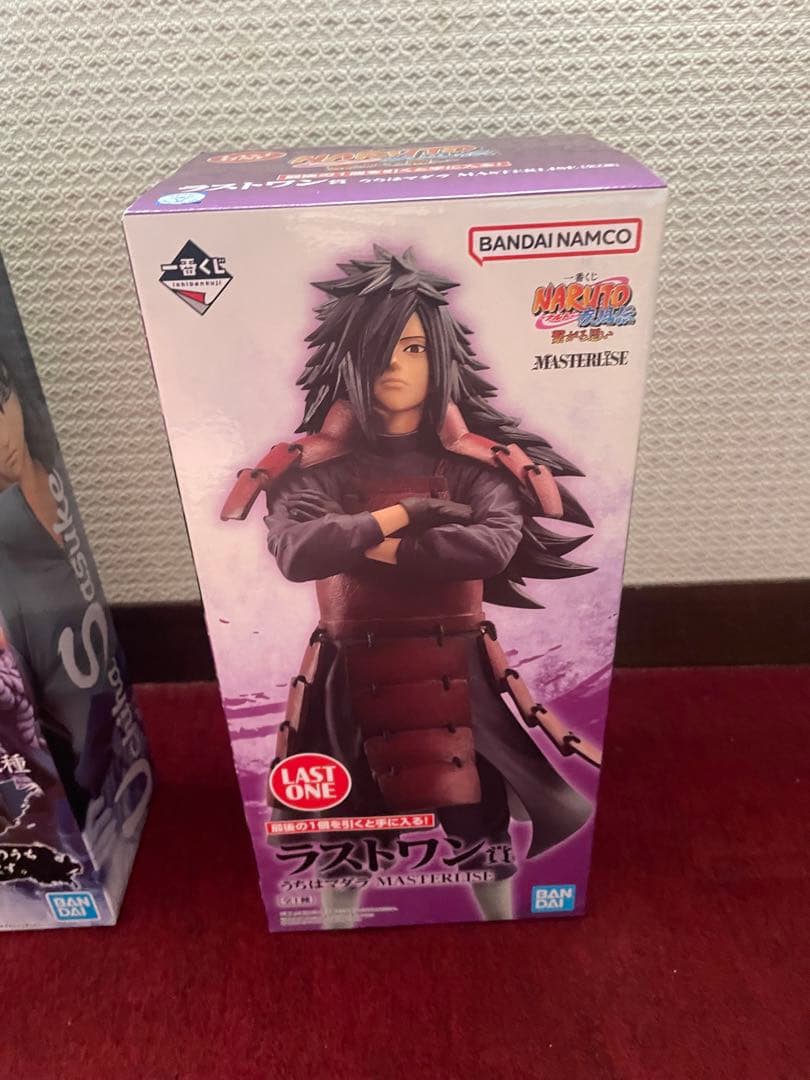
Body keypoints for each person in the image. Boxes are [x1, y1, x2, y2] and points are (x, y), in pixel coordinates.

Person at [223, 247, 601, 923]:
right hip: (348, 674)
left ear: (441, 359)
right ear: (349, 360)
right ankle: (334, 934)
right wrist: (403, 515)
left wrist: (374, 543)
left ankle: (504, 928)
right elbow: (299, 550)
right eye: (379, 349)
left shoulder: (479, 467)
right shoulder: (311, 470)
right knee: (345, 834)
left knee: (480, 827)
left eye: (415, 348)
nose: (395, 366)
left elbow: (489, 546)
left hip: (458, 669)